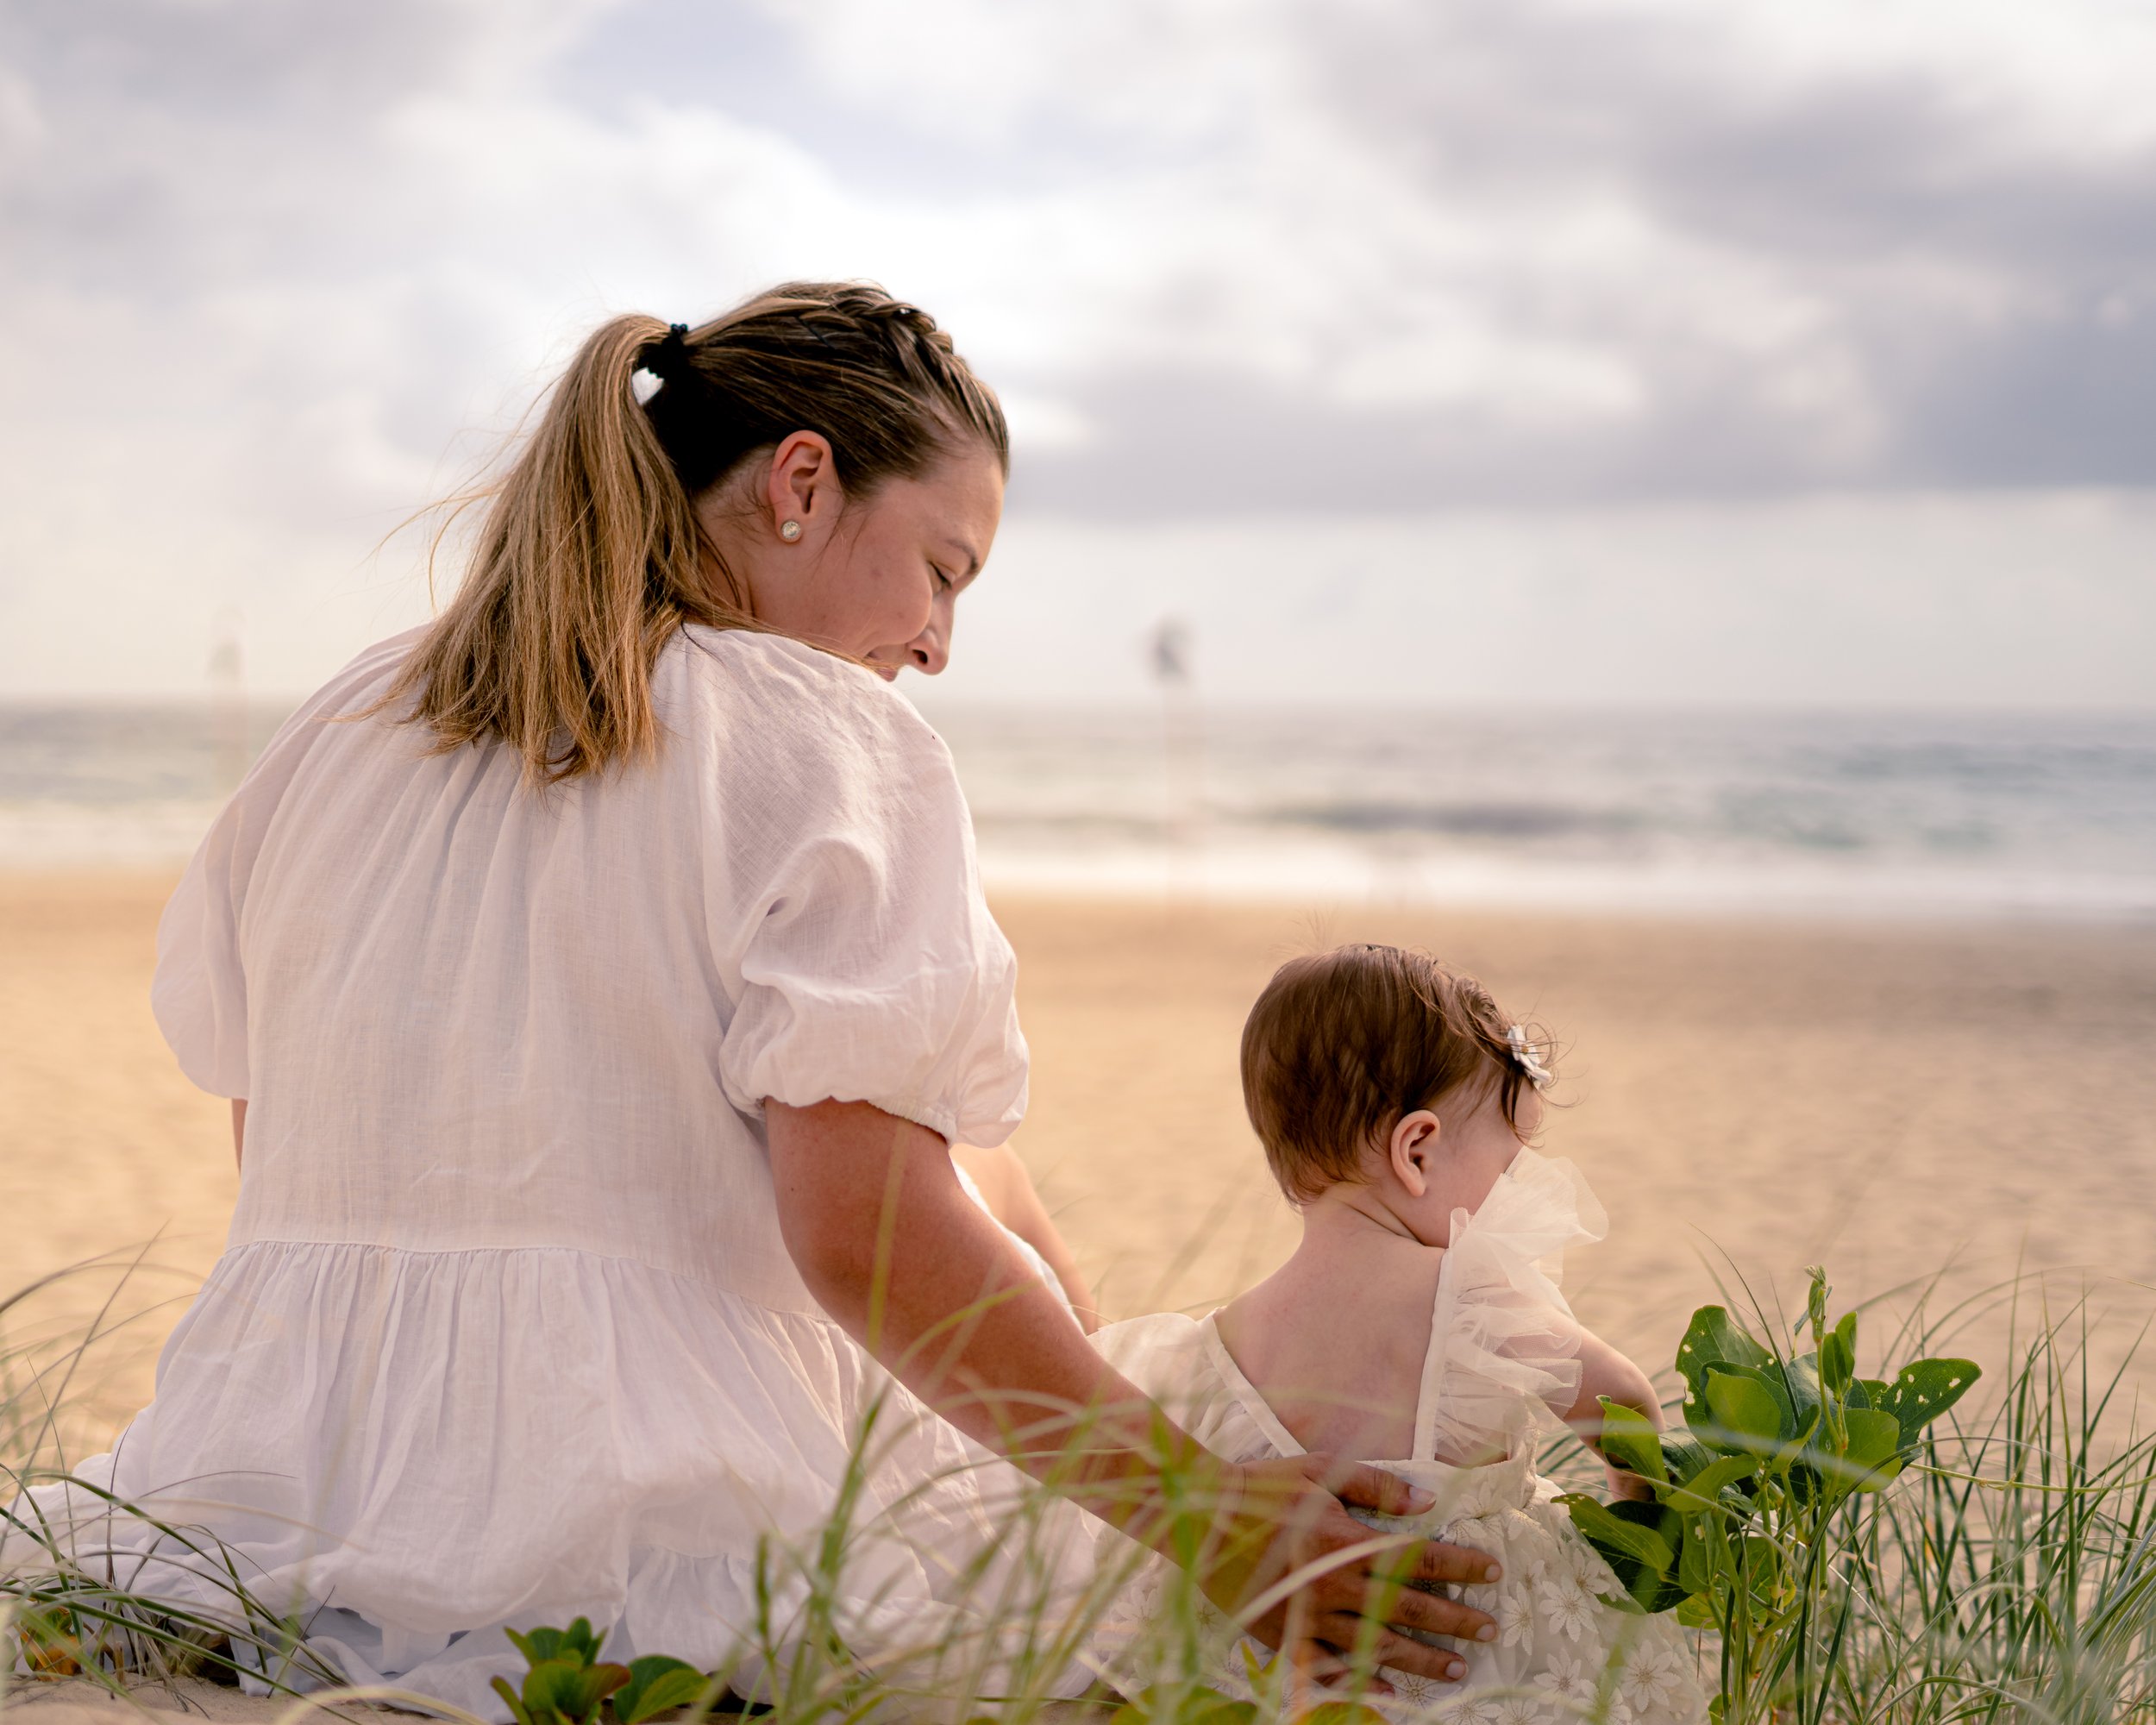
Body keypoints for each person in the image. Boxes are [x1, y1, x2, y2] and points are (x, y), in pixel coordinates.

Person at [8, 286, 1505, 1714]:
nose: (937, 642)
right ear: (801, 481)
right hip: (660, 1522)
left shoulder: (340, 723)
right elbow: (860, 1232)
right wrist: (1205, 1518)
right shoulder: (822, 735)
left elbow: (288, 1148)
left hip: (258, 1496)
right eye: (943, 568)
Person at [1086, 945, 1709, 1721]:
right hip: (1470, 1661)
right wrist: (1645, 1547)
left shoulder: (1215, 1340)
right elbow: (1624, 1402)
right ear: (1416, 1151)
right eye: (1508, 1166)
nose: (1511, 1193)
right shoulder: (1468, 1297)